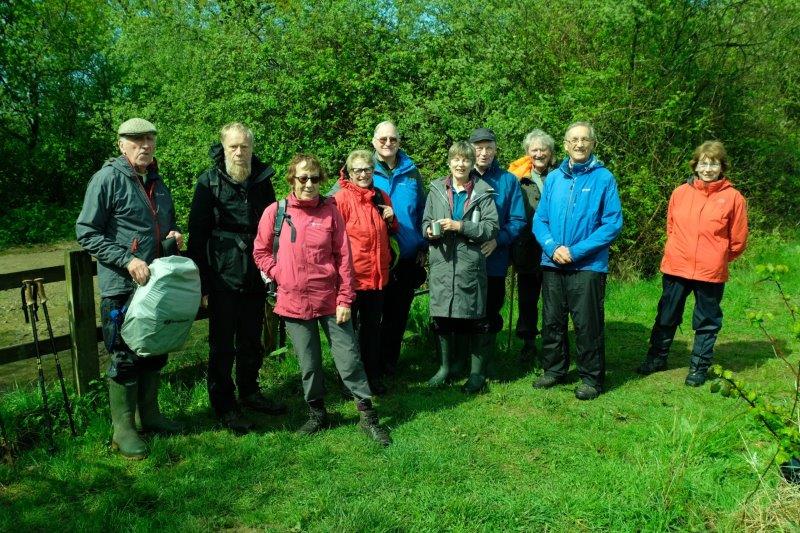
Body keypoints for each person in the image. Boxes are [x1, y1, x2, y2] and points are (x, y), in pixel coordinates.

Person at [253, 154, 392, 446]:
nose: (309, 184)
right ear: (292, 179)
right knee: (309, 364)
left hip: (330, 298)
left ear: (321, 180)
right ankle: (317, 413)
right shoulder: (275, 212)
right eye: (303, 178)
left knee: (348, 358)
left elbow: (344, 257)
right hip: (293, 301)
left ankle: (367, 415)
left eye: (315, 178)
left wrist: (345, 298)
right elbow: (260, 251)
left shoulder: (331, 212)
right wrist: (280, 273)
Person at [76, 118, 182, 459]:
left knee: (153, 349)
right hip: (122, 286)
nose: (145, 145)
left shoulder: (157, 180)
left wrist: (172, 237)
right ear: (121, 144)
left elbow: (165, 223)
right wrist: (126, 259)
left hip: (157, 284)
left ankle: (149, 416)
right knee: (123, 355)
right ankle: (123, 431)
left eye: (150, 139)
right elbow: (87, 231)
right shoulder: (107, 179)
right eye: (136, 140)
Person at [187, 122, 286, 433]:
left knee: (251, 339)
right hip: (221, 275)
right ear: (223, 147)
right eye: (233, 146)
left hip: (255, 272)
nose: (239, 152)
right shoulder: (208, 183)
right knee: (221, 345)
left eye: (244, 146)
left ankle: (250, 391)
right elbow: (197, 237)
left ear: (251, 148)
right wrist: (202, 284)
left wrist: (275, 270)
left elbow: (274, 227)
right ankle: (224, 405)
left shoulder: (262, 179)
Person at [637, 141, 748, 386]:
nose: (708, 169)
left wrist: (717, 256)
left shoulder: (733, 198)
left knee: (707, 321)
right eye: (703, 163)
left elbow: (738, 241)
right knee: (666, 314)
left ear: (722, 167)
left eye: (714, 164)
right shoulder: (679, 193)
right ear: (695, 165)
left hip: (711, 271)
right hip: (677, 266)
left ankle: (698, 367)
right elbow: (671, 227)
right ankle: (657, 359)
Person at [532, 121, 623, 400]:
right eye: (574, 140)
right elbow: (540, 219)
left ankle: (591, 378)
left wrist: (576, 251)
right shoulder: (555, 178)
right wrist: (552, 247)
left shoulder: (603, 178)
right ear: (565, 145)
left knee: (587, 324)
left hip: (587, 265)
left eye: (585, 139)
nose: (579, 144)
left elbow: (611, 224)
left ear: (593, 144)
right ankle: (554, 369)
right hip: (553, 262)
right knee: (552, 320)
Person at [422, 141, 499, 393]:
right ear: (449, 162)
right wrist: (429, 232)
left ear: (471, 163)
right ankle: (445, 368)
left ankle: (476, 374)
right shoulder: (435, 189)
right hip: (442, 263)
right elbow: (425, 221)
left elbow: (491, 228)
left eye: (465, 160)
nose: (460, 164)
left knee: (474, 317)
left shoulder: (484, 192)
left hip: (469, 265)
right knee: (442, 317)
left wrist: (460, 226)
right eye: (456, 159)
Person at [333, 150, 398, 395]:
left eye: (367, 169)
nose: (363, 174)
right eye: (357, 170)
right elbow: (333, 239)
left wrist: (392, 219)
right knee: (347, 335)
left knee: (372, 330)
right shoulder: (341, 199)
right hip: (350, 279)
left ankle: (372, 378)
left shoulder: (380, 196)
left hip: (377, 276)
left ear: (373, 171)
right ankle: (348, 383)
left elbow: (391, 231)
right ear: (349, 173)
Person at [371, 121, 427, 378]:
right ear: (374, 142)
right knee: (372, 315)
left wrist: (423, 245)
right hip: (374, 257)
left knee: (398, 313)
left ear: (399, 142)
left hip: (406, 255)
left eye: (392, 139)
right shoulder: (363, 169)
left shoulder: (412, 173)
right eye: (382, 139)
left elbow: (424, 212)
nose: (387, 143)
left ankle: (390, 363)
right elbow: (336, 199)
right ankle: (369, 364)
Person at [468, 128, 526, 370]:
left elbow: (518, 220)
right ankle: (463, 359)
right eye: (478, 148)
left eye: (488, 148)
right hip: (464, 261)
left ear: (495, 150)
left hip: (494, 259)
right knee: (466, 310)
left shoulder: (507, 180)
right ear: (471, 150)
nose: (484, 153)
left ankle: (486, 361)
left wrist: (498, 240)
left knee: (491, 309)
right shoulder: (460, 175)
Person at [508, 129, 558, 364]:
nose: (539, 153)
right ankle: (527, 342)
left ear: (550, 152)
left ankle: (552, 342)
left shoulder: (560, 175)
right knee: (527, 299)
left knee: (553, 298)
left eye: (543, 149)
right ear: (527, 153)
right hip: (526, 247)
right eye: (534, 150)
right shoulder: (517, 178)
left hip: (553, 247)